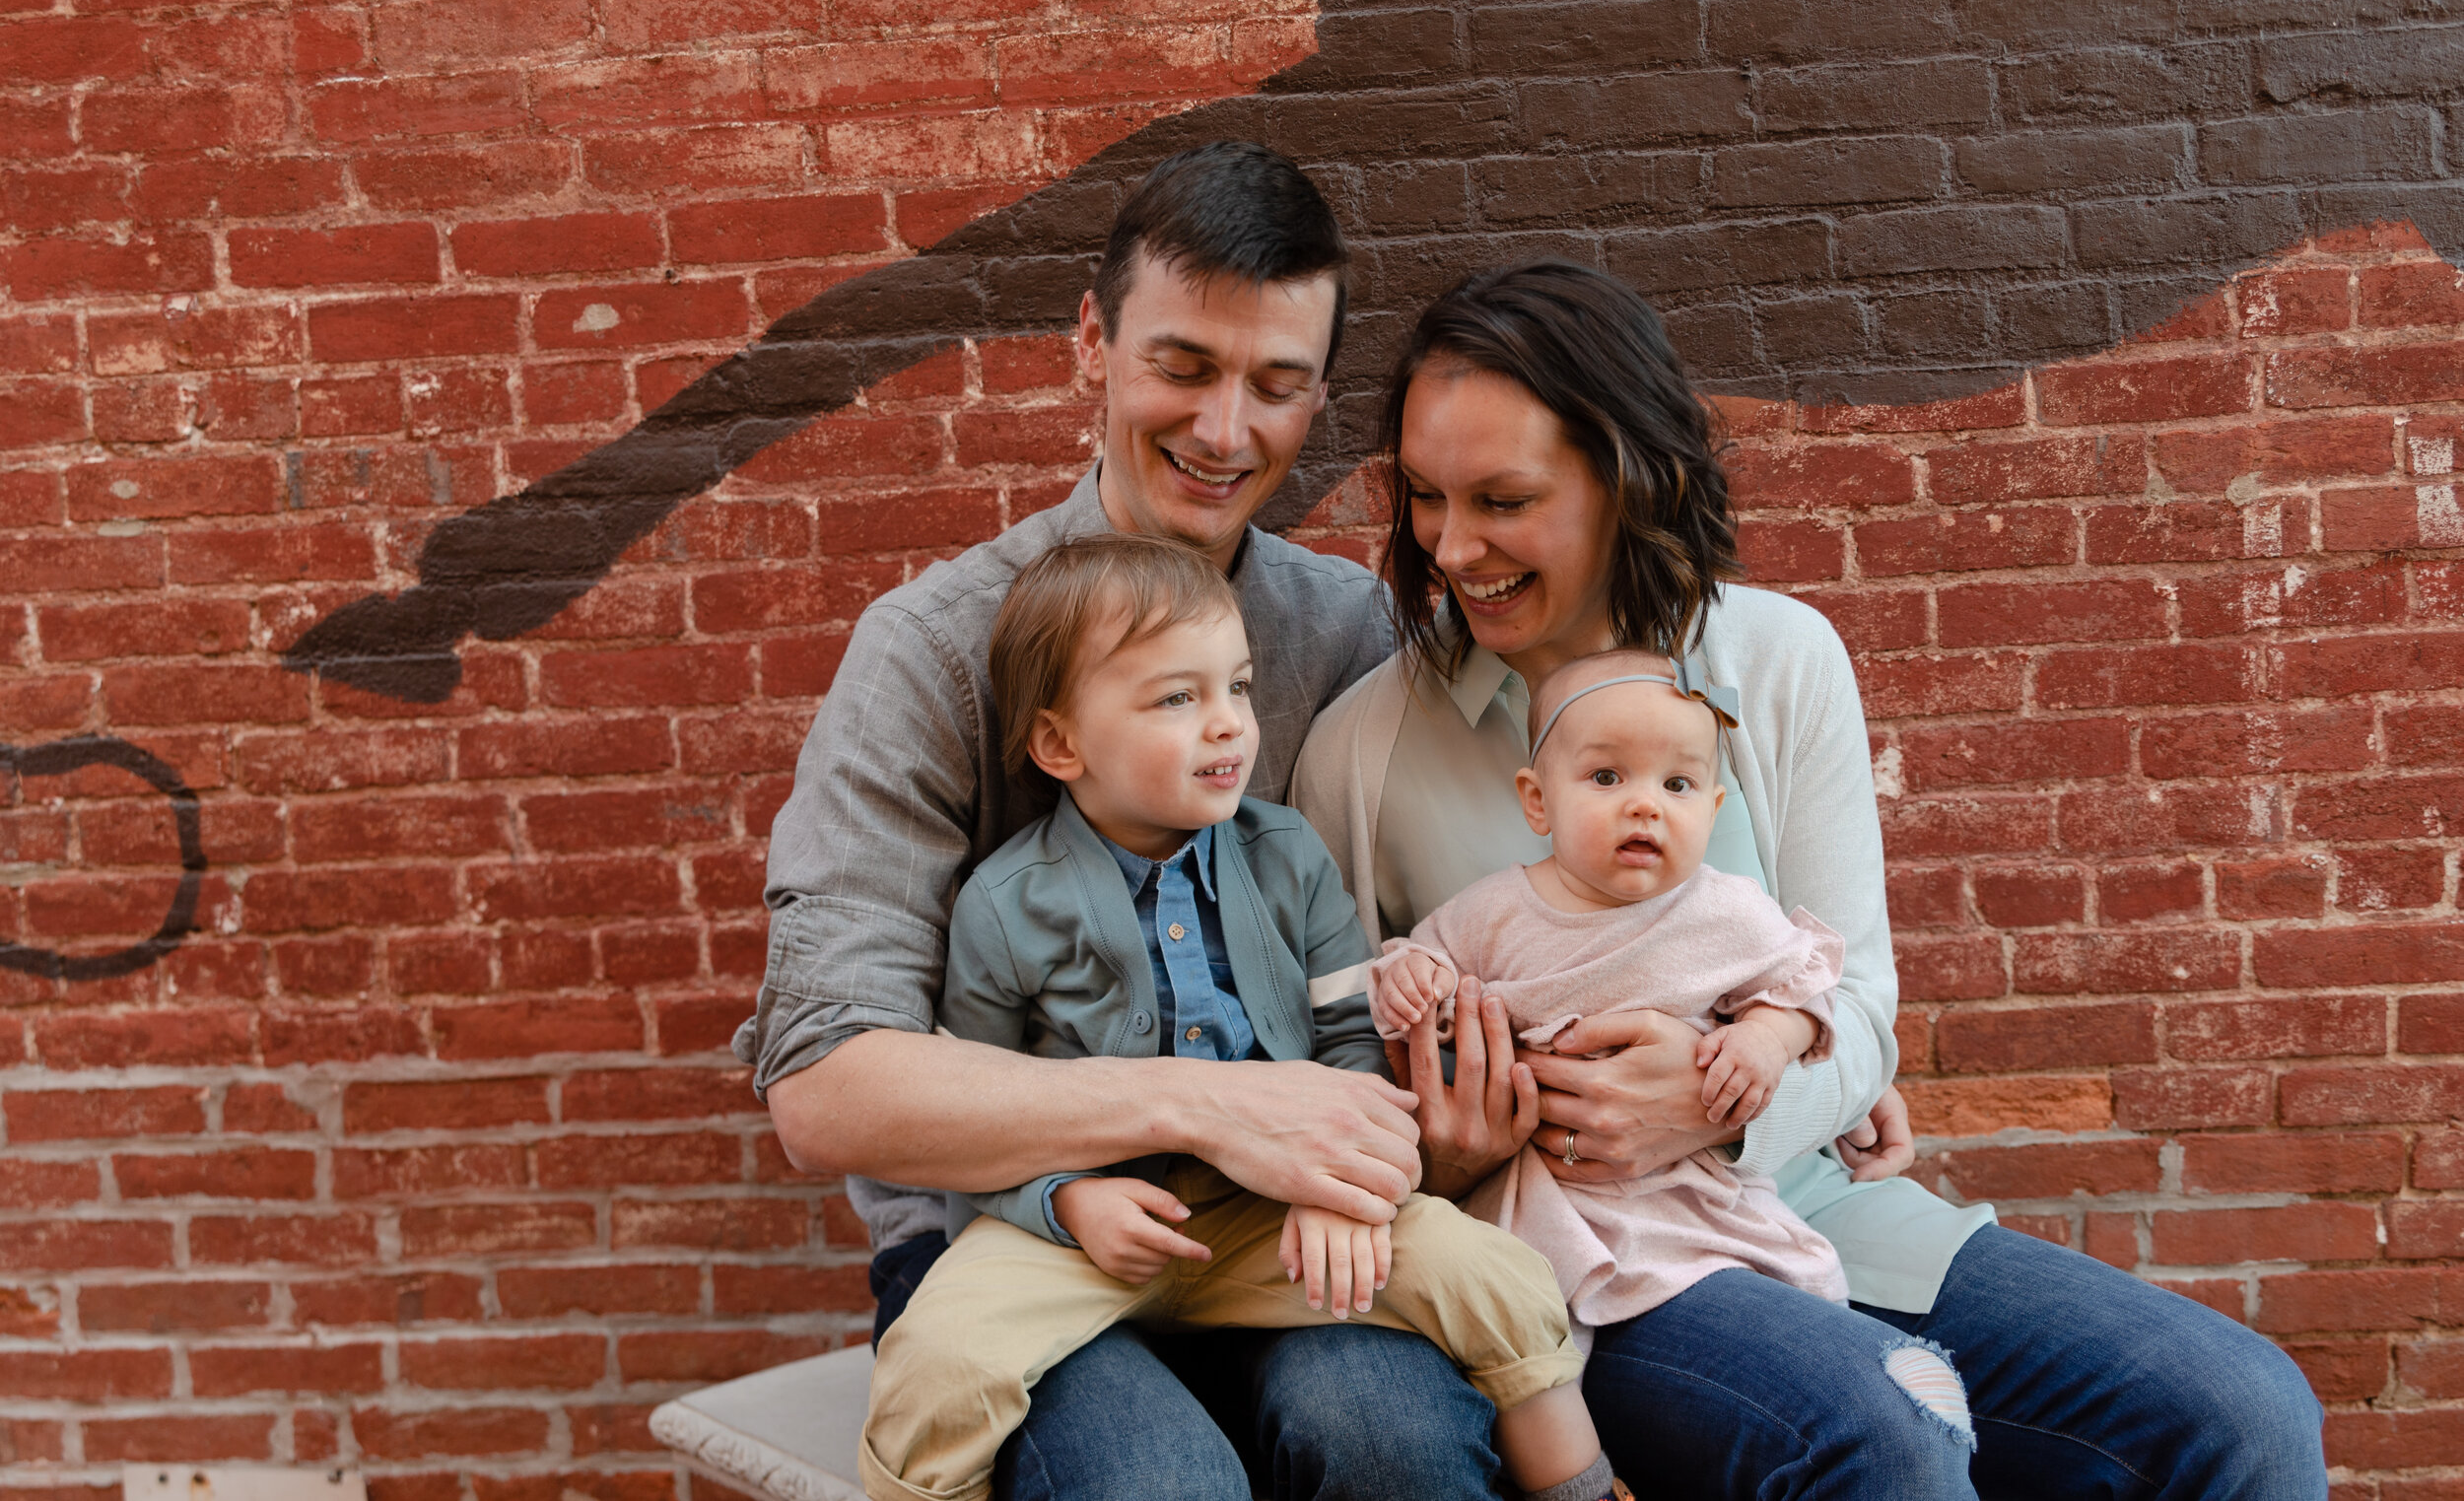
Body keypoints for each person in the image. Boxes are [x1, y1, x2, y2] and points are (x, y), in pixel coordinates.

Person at [1294, 259, 2329, 1498]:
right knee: (1881, 1435)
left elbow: (1862, 1009)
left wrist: (1728, 1103)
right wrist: (1455, 1154)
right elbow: (1338, 1075)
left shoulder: (1780, 661)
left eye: (1503, 499)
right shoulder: (1360, 751)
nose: (1452, 546)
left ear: (1627, 481)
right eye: (1422, 497)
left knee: (2242, 1411)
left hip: (1808, 1209)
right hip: (1571, 1268)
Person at [742, 142, 1520, 1500]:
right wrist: (1208, 1104)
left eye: (1275, 386)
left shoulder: (1351, 638)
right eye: (1183, 364)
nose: (1225, 430)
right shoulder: (935, 653)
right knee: (1153, 1481)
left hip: (1297, 1225)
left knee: (1388, 1437)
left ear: (1317, 400)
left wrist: (1799, 1011)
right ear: (1092, 343)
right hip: (1016, 1237)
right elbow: (825, 1085)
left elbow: (1494, 904)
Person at [859, 532, 1610, 1501]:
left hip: (1277, 1224)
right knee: (937, 1356)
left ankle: (1584, 1488)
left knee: (1494, 1275)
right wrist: (1062, 1199)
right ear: (1059, 744)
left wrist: (1336, 1185)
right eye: (1178, 698)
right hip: (1081, 1240)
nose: (1228, 726)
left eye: (1239, 688)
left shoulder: (1287, 857)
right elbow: (975, 1115)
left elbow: (1349, 1039)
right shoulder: (1004, 904)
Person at [1370, 648, 1852, 1338]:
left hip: (1683, 1188)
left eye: (1679, 784)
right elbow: (1423, 963)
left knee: (1792, 1294)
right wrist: (1417, 981)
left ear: (1714, 807)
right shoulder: (1496, 910)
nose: (1645, 804)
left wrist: (1766, 1037)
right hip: (1538, 1194)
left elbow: (1804, 984)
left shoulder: (1725, 911)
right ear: (1539, 799)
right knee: (1519, 1331)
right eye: (1606, 775)